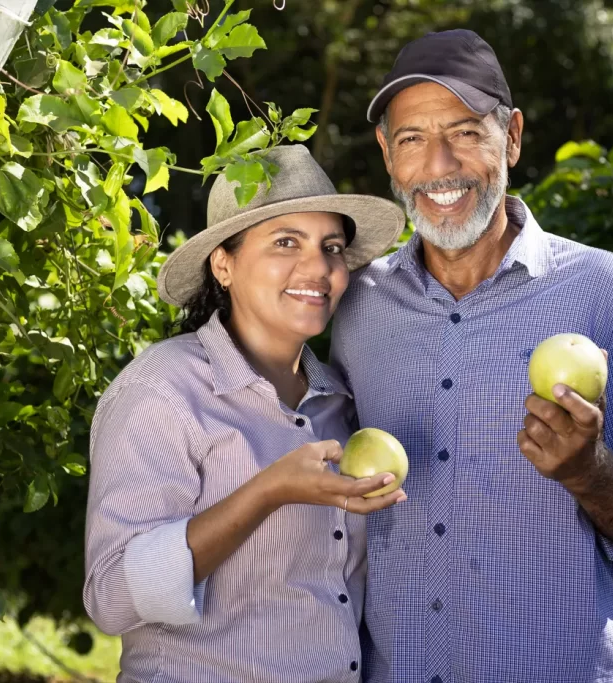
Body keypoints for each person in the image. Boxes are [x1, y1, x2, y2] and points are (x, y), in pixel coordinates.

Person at [330, 29, 613, 682]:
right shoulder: (357, 308)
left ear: (514, 136)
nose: (438, 164)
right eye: (412, 138)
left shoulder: (602, 289)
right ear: (388, 154)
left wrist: (589, 470)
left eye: (466, 132)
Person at [83, 144, 409, 683]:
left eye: (331, 246)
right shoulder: (162, 389)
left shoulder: (340, 403)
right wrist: (266, 492)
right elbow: (112, 595)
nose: (319, 267)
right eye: (286, 242)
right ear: (224, 264)